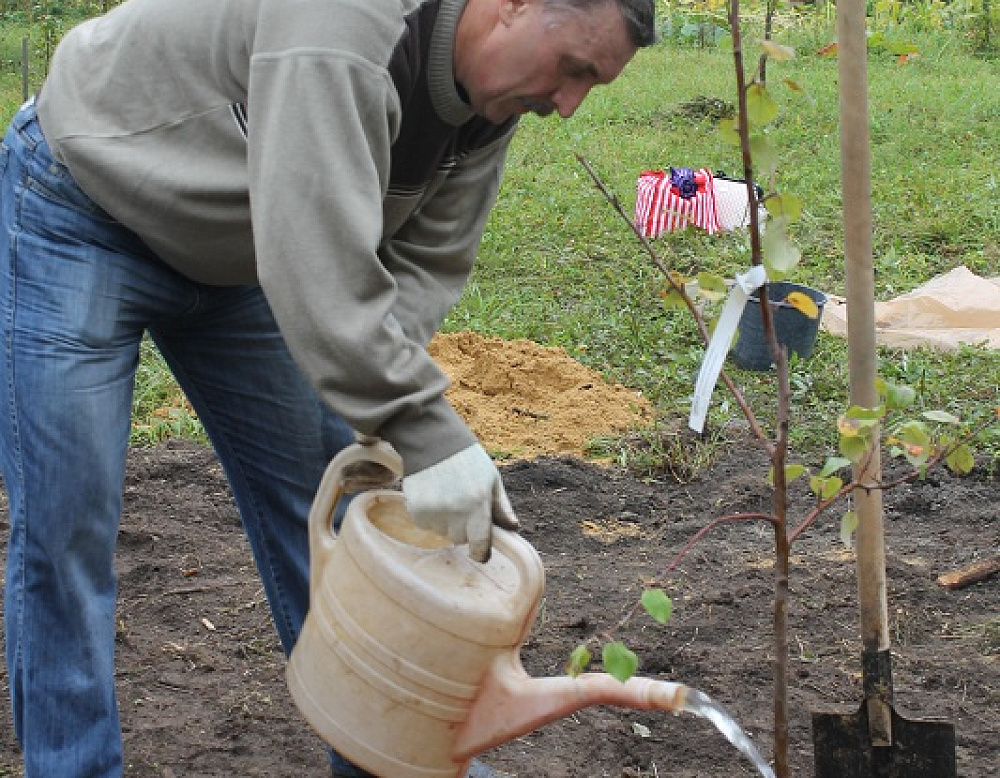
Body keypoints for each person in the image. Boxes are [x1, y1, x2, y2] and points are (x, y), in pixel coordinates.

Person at [0, 0, 655, 774]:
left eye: (591, 85)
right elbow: (314, 260)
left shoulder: (488, 108)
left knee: (335, 511)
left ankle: (393, 756)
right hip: (85, 206)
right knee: (66, 530)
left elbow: (422, 269)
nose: (569, 104)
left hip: (251, 255)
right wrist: (428, 430)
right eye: (573, 69)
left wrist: (392, 422)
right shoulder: (347, 22)